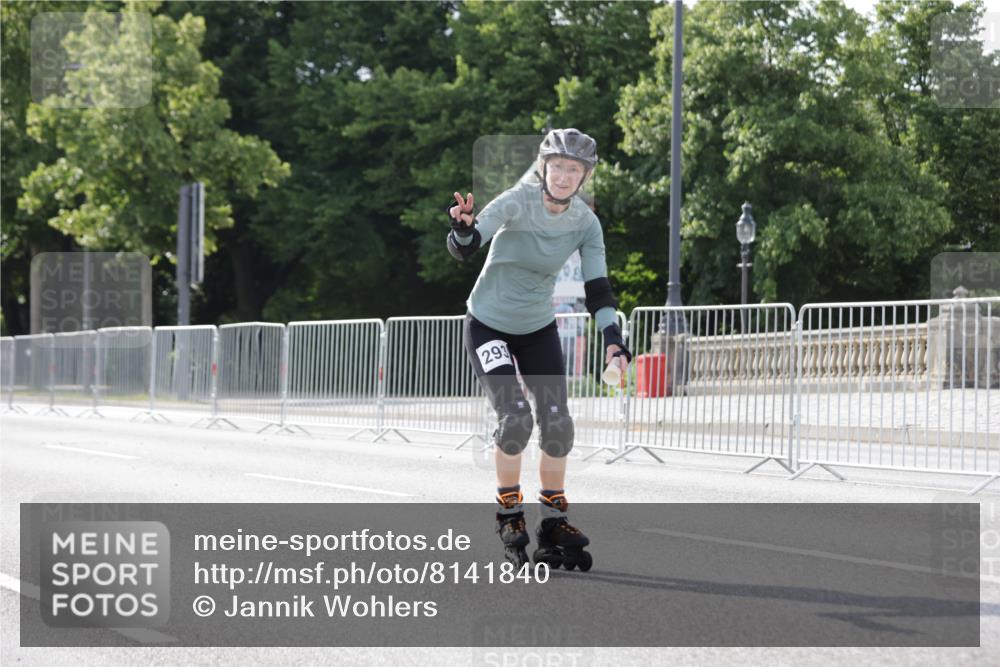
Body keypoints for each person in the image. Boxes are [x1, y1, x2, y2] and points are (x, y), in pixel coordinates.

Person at [446, 128, 631, 570]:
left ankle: (553, 520)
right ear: (543, 167)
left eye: (574, 170)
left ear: (584, 176)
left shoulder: (585, 223)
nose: (564, 177)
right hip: (488, 324)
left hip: (536, 329)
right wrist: (462, 231)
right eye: (558, 167)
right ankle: (509, 512)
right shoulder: (517, 200)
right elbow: (468, 244)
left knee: (558, 425)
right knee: (515, 419)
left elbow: (599, 290)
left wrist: (613, 341)